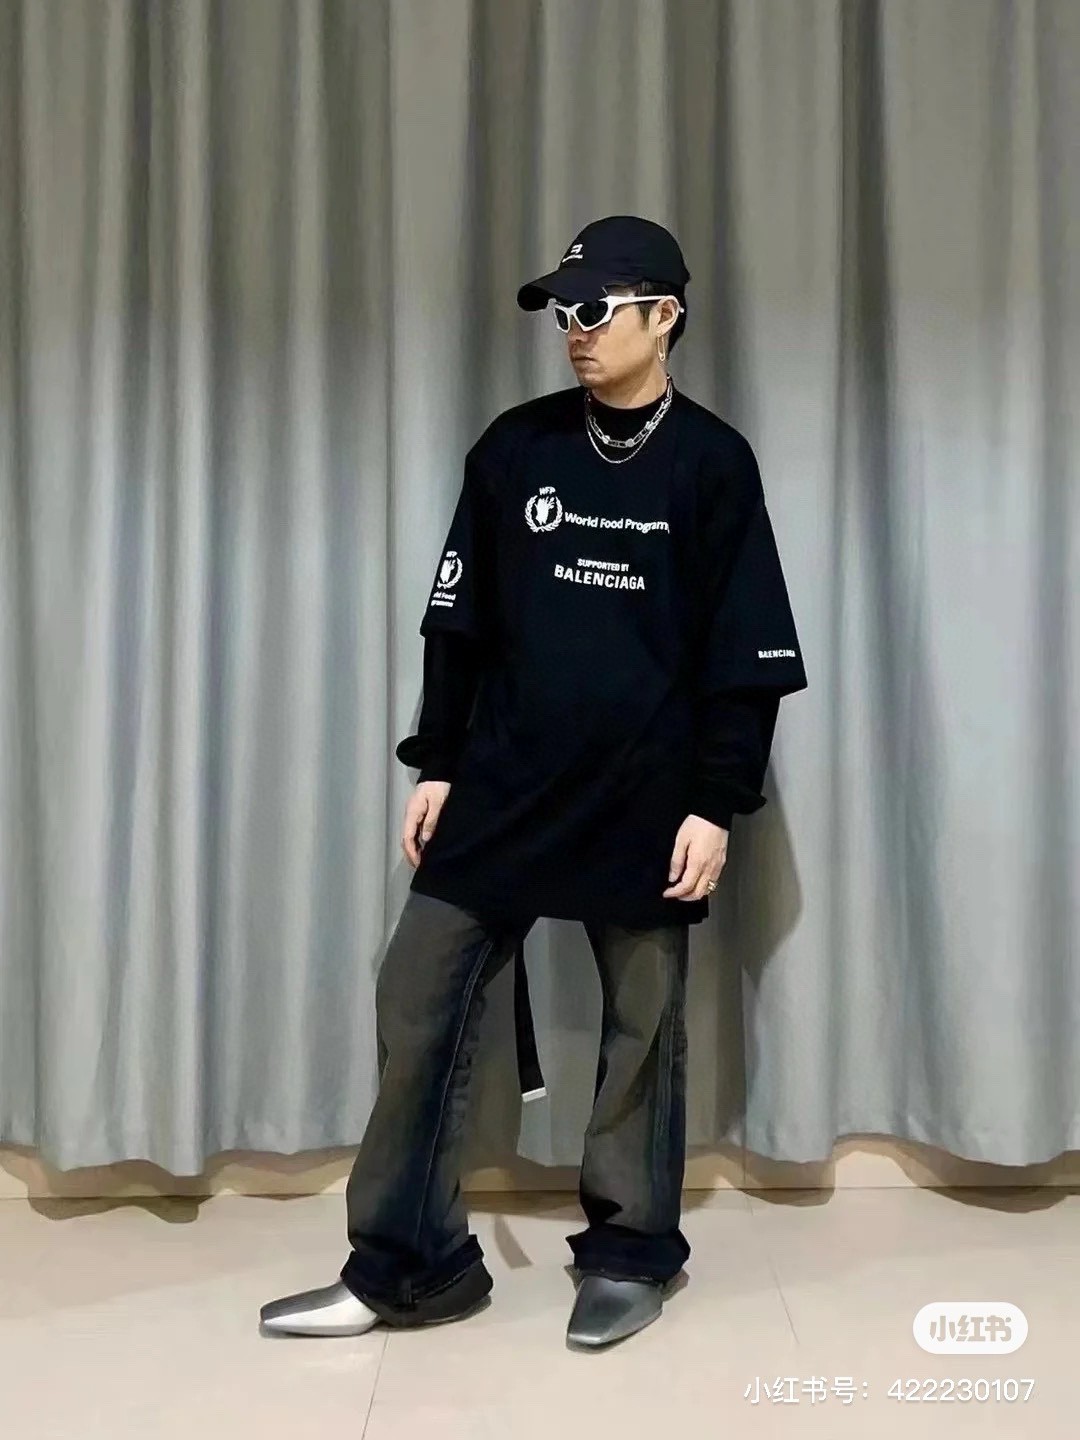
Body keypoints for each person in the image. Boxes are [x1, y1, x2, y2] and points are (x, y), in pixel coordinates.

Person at [260, 215, 808, 1349]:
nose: (575, 330)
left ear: (666, 316)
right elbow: (458, 621)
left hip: (648, 792)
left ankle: (630, 1254)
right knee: (417, 996)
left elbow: (742, 656)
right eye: (564, 311)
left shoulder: (713, 463)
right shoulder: (516, 449)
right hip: (506, 782)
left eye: (596, 309)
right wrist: (439, 762)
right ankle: (410, 1266)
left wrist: (716, 802)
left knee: (642, 1028)